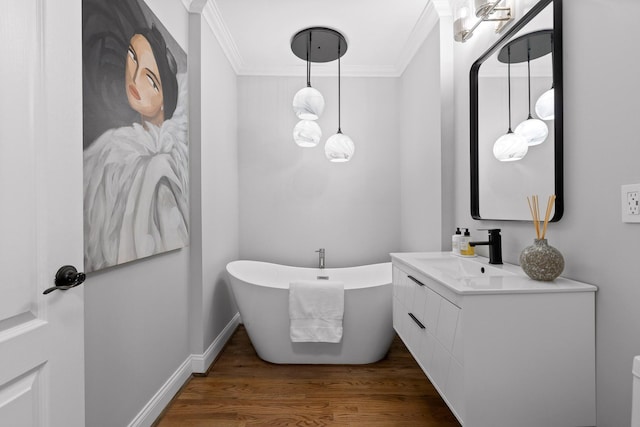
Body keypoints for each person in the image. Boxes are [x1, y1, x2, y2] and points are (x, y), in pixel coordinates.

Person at [83, 25, 189, 272]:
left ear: (165, 101)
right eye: (132, 56)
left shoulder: (158, 168)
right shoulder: (113, 145)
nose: (135, 75)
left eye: (150, 79)